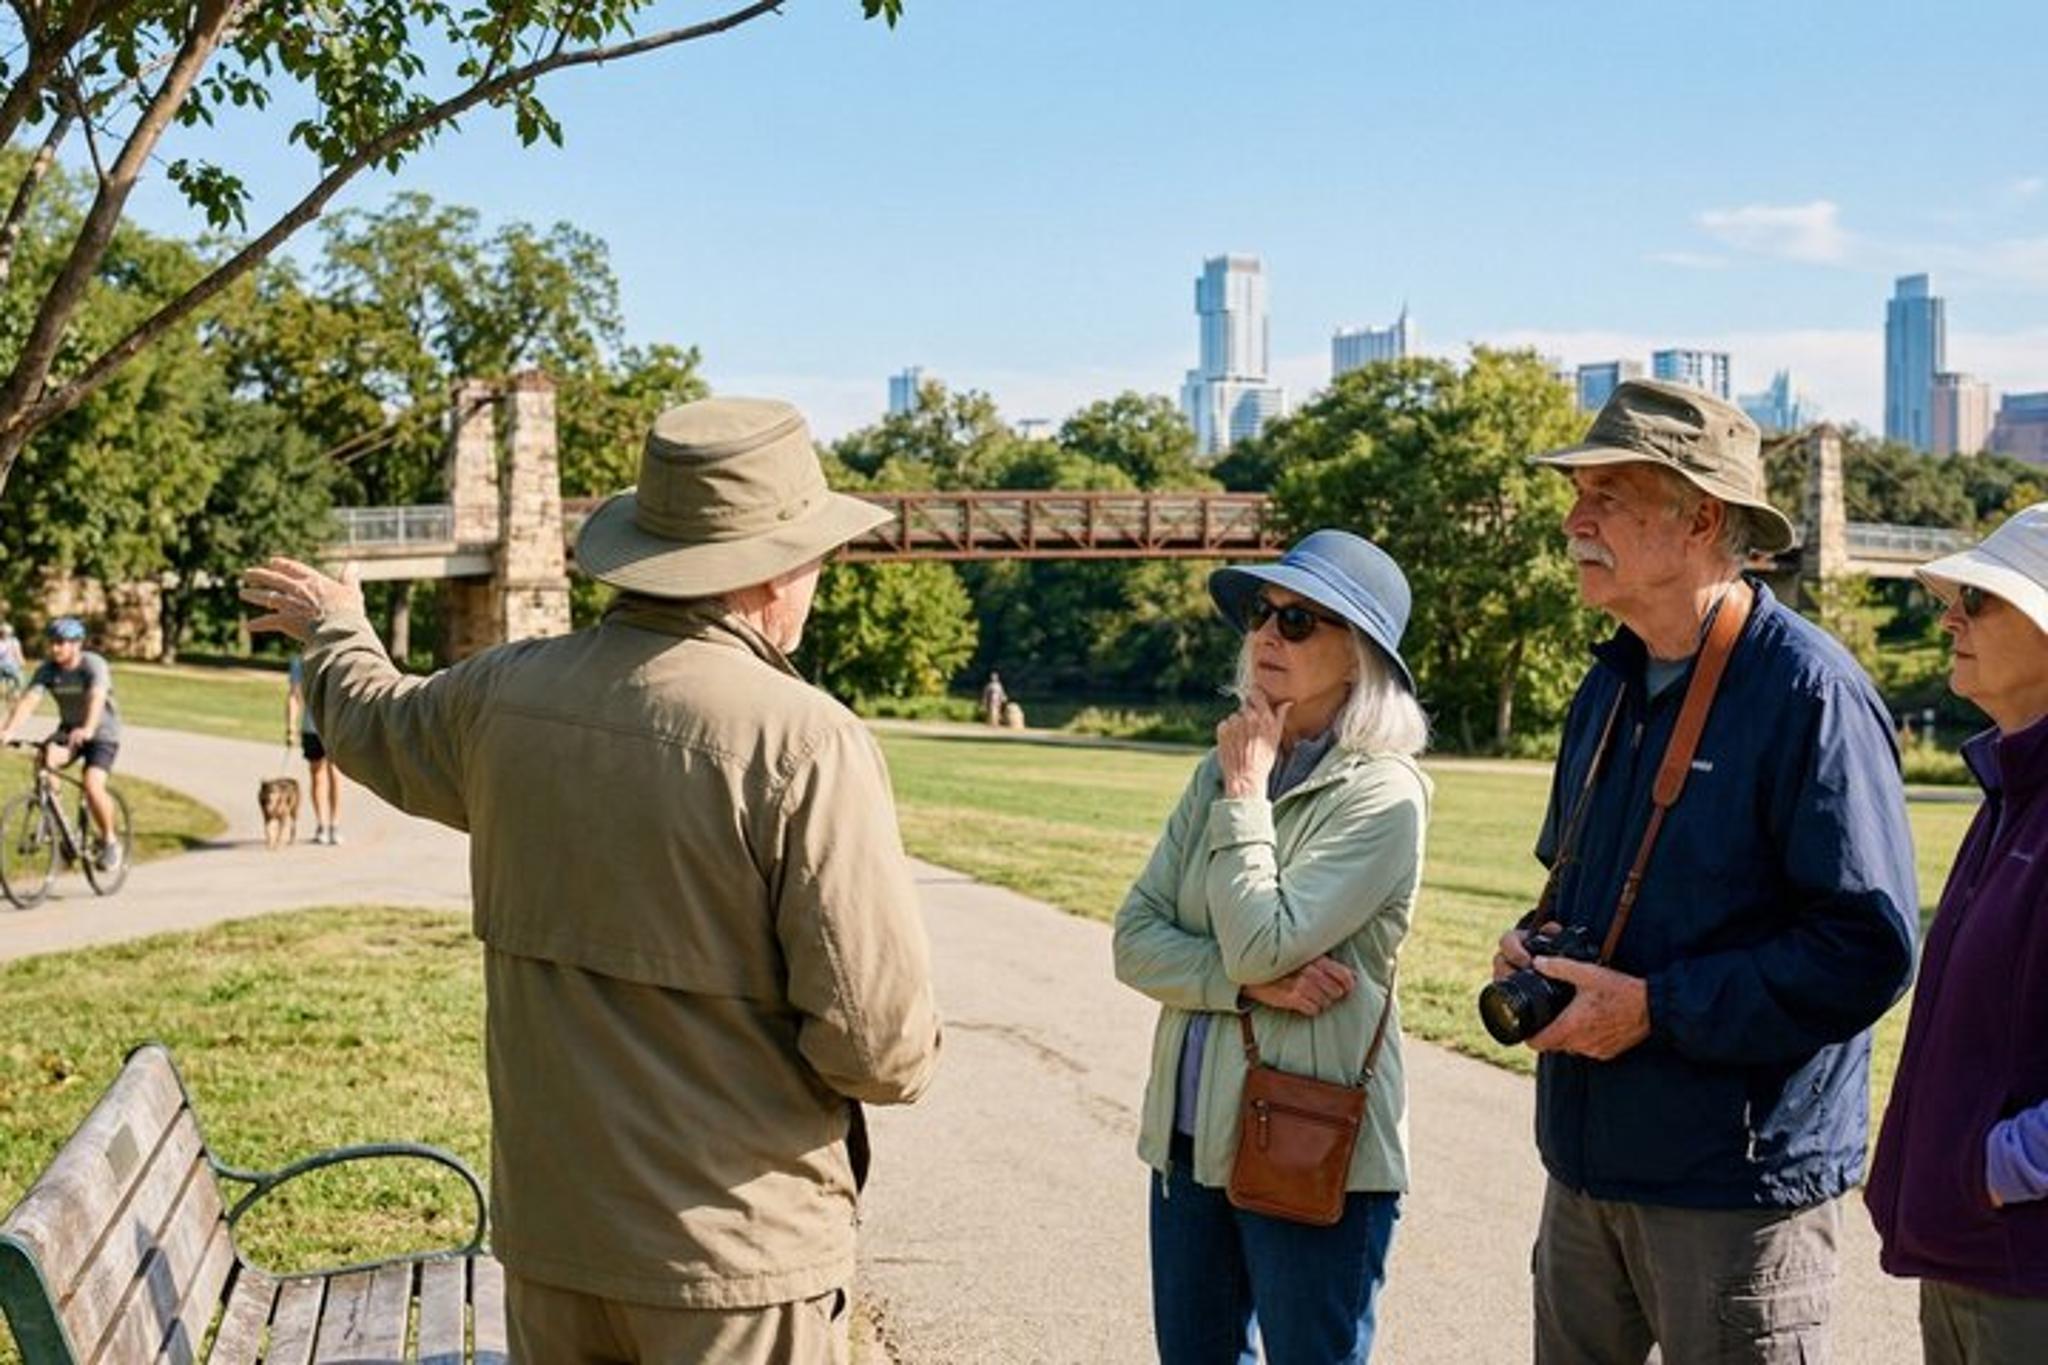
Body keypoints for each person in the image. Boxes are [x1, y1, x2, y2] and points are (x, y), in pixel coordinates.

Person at [241, 396, 943, 1364]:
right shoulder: (803, 741)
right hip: (733, 1254)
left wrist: (339, 634)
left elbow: (379, 723)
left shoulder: (504, 693)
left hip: (553, 1243)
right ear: (773, 571)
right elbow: (880, 1047)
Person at [1498, 379, 1918, 1364]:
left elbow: (1862, 949)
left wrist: (1656, 1009)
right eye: (1575, 492)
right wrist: (1534, 938)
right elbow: (1582, 884)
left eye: (1606, 493)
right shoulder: (1605, 684)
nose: (1573, 519)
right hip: (1585, 1165)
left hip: (1731, 1190)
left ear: (1698, 517)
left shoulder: (1806, 692)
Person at [1113, 529, 1432, 1364]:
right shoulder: (1216, 769)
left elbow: (1261, 941)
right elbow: (1135, 940)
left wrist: (1248, 792)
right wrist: (1246, 990)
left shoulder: (1385, 795)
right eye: (1261, 612)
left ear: (1359, 656)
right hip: (1190, 1141)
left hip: (1308, 1140)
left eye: (1299, 621)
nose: (1265, 634)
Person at [1867, 502, 2048, 1363]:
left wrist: (1997, 1170)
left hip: (2028, 1270)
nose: (1948, 617)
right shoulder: (2012, 787)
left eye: (1978, 600)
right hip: (1974, 1256)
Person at [0, 616, 125, 872]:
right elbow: (29, 701)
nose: (55, 648)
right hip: (69, 730)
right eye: (52, 642)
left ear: (77, 644)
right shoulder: (48, 670)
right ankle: (58, 822)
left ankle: (110, 841)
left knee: (92, 784)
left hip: (102, 733)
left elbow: (97, 697)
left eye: (61, 643)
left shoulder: (93, 664)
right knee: (45, 758)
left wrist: (89, 728)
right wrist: (8, 730)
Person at [286, 654, 341, 844]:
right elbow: (294, 695)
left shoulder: (336, 658)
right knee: (317, 775)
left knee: (335, 774)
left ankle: (335, 824)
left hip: (335, 728)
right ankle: (322, 824)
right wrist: (291, 727)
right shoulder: (299, 662)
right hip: (311, 728)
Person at [0, 622, 23, 697]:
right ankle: (14, 693)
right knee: (19, 680)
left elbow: (17, 653)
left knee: (6, 682)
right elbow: (18, 653)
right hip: (11, 665)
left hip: (3, 665)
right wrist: (21, 661)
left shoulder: (13, 641)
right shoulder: (14, 641)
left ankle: (7, 694)